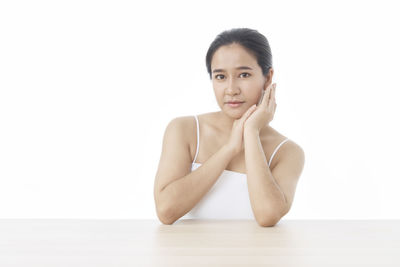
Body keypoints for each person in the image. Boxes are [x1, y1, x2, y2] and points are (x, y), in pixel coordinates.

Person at [153, 28, 305, 227]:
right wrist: (229, 149)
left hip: (257, 258)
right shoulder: (185, 130)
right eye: (220, 77)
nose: (232, 89)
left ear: (268, 78)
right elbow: (166, 211)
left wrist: (251, 132)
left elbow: (268, 215)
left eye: (243, 74)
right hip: (191, 257)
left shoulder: (287, 152)